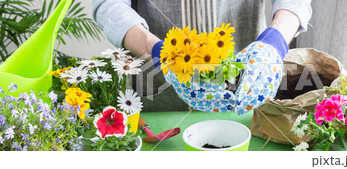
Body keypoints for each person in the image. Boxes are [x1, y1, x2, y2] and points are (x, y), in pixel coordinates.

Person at [93, 0, 312, 141]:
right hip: (161, 94)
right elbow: (107, 4)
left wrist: (276, 39)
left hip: (246, 97)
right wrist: (154, 47)